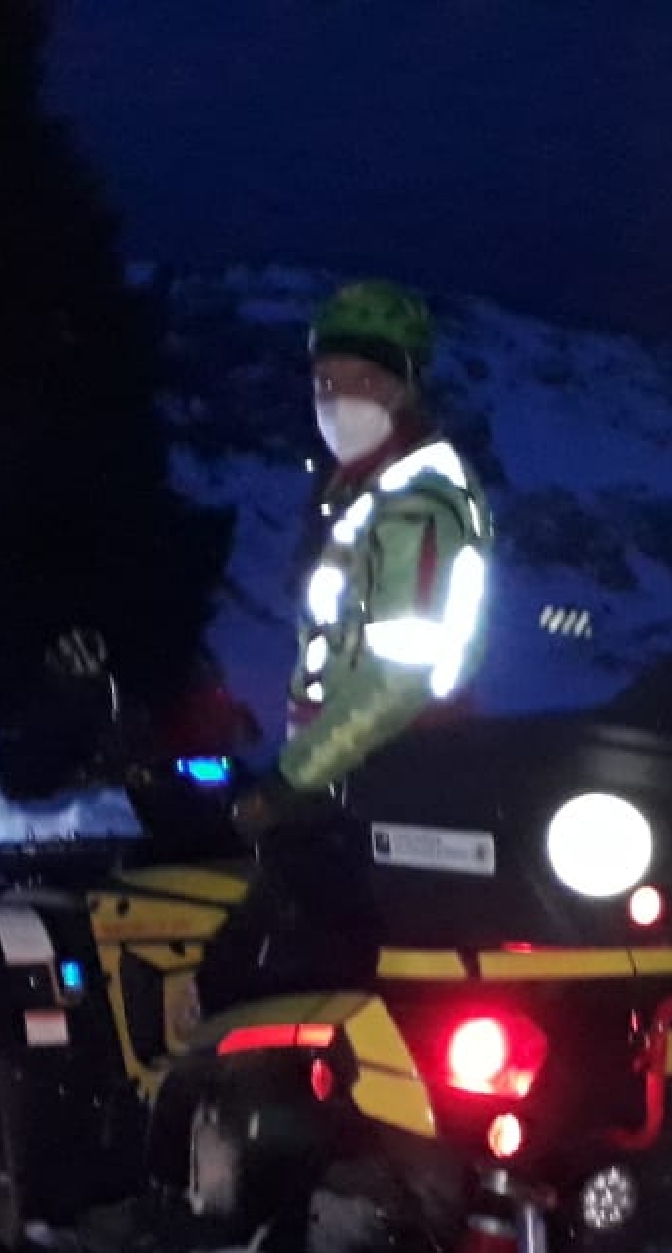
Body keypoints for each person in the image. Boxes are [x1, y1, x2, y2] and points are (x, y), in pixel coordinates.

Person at [197, 280, 496, 1015]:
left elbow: (399, 681)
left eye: (363, 380)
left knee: (278, 989)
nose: (339, 399)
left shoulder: (417, 504)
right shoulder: (363, 494)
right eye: (325, 380)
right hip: (349, 784)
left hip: (392, 783)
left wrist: (289, 782)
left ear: (406, 386)